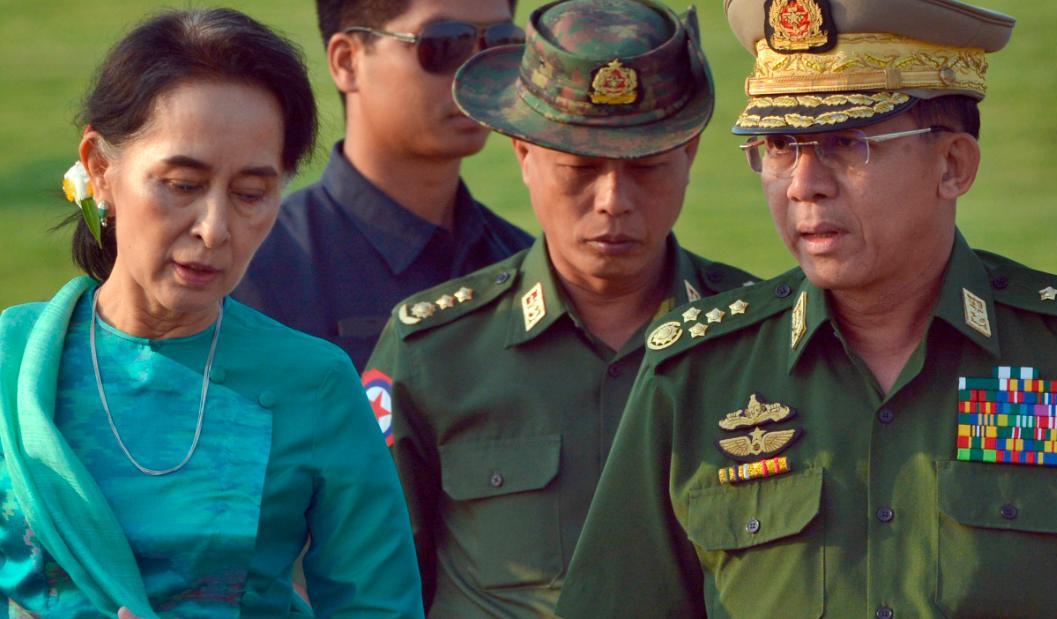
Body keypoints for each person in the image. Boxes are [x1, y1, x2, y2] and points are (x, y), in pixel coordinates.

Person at [556, 0, 1057, 617]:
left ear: (953, 165)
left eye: (846, 142)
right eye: (780, 145)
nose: (802, 184)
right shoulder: (695, 373)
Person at [0, 9, 422, 618]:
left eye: (251, 194)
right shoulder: (13, 364)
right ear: (99, 168)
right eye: (182, 184)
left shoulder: (313, 385)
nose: (215, 228)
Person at [364, 0, 759, 615]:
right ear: (524, 155)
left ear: (689, 154)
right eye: (581, 168)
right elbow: (372, 581)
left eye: (646, 167)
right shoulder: (433, 352)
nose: (613, 200)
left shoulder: (760, 340)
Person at [233, 0, 534, 373]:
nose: (478, 73)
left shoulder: (527, 266)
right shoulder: (250, 270)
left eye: (501, 44)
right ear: (348, 61)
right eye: (445, 43)